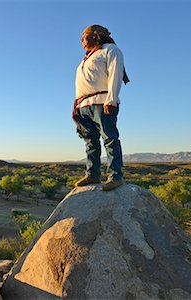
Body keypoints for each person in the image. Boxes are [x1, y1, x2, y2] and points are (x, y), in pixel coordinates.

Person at [72, 25, 129, 191]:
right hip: (84, 105)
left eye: (84, 37)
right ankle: (93, 175)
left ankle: (115, 176)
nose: (82, 41)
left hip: (102, 101)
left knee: (109, 137)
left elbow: (115, 74)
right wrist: (78, 105)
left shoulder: (110, 50)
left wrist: (111, 99)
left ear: (96, 36)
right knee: (90, 141)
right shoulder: (87, 58)